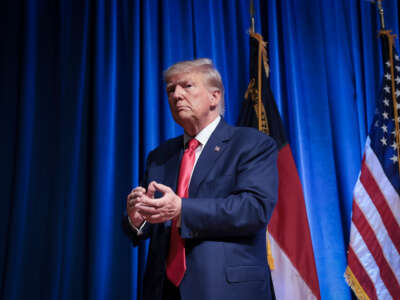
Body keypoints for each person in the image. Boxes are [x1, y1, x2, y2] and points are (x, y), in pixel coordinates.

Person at [122, 58, 278, 300]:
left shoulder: (251, 144)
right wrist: (138, 219)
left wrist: (181, 208)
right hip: (163, 291)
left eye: (187, 86)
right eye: (171, 89)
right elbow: (152, 226)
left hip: (227, 290)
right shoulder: (160, 156)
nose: (176, 95)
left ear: (214, 97)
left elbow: (253, 209)